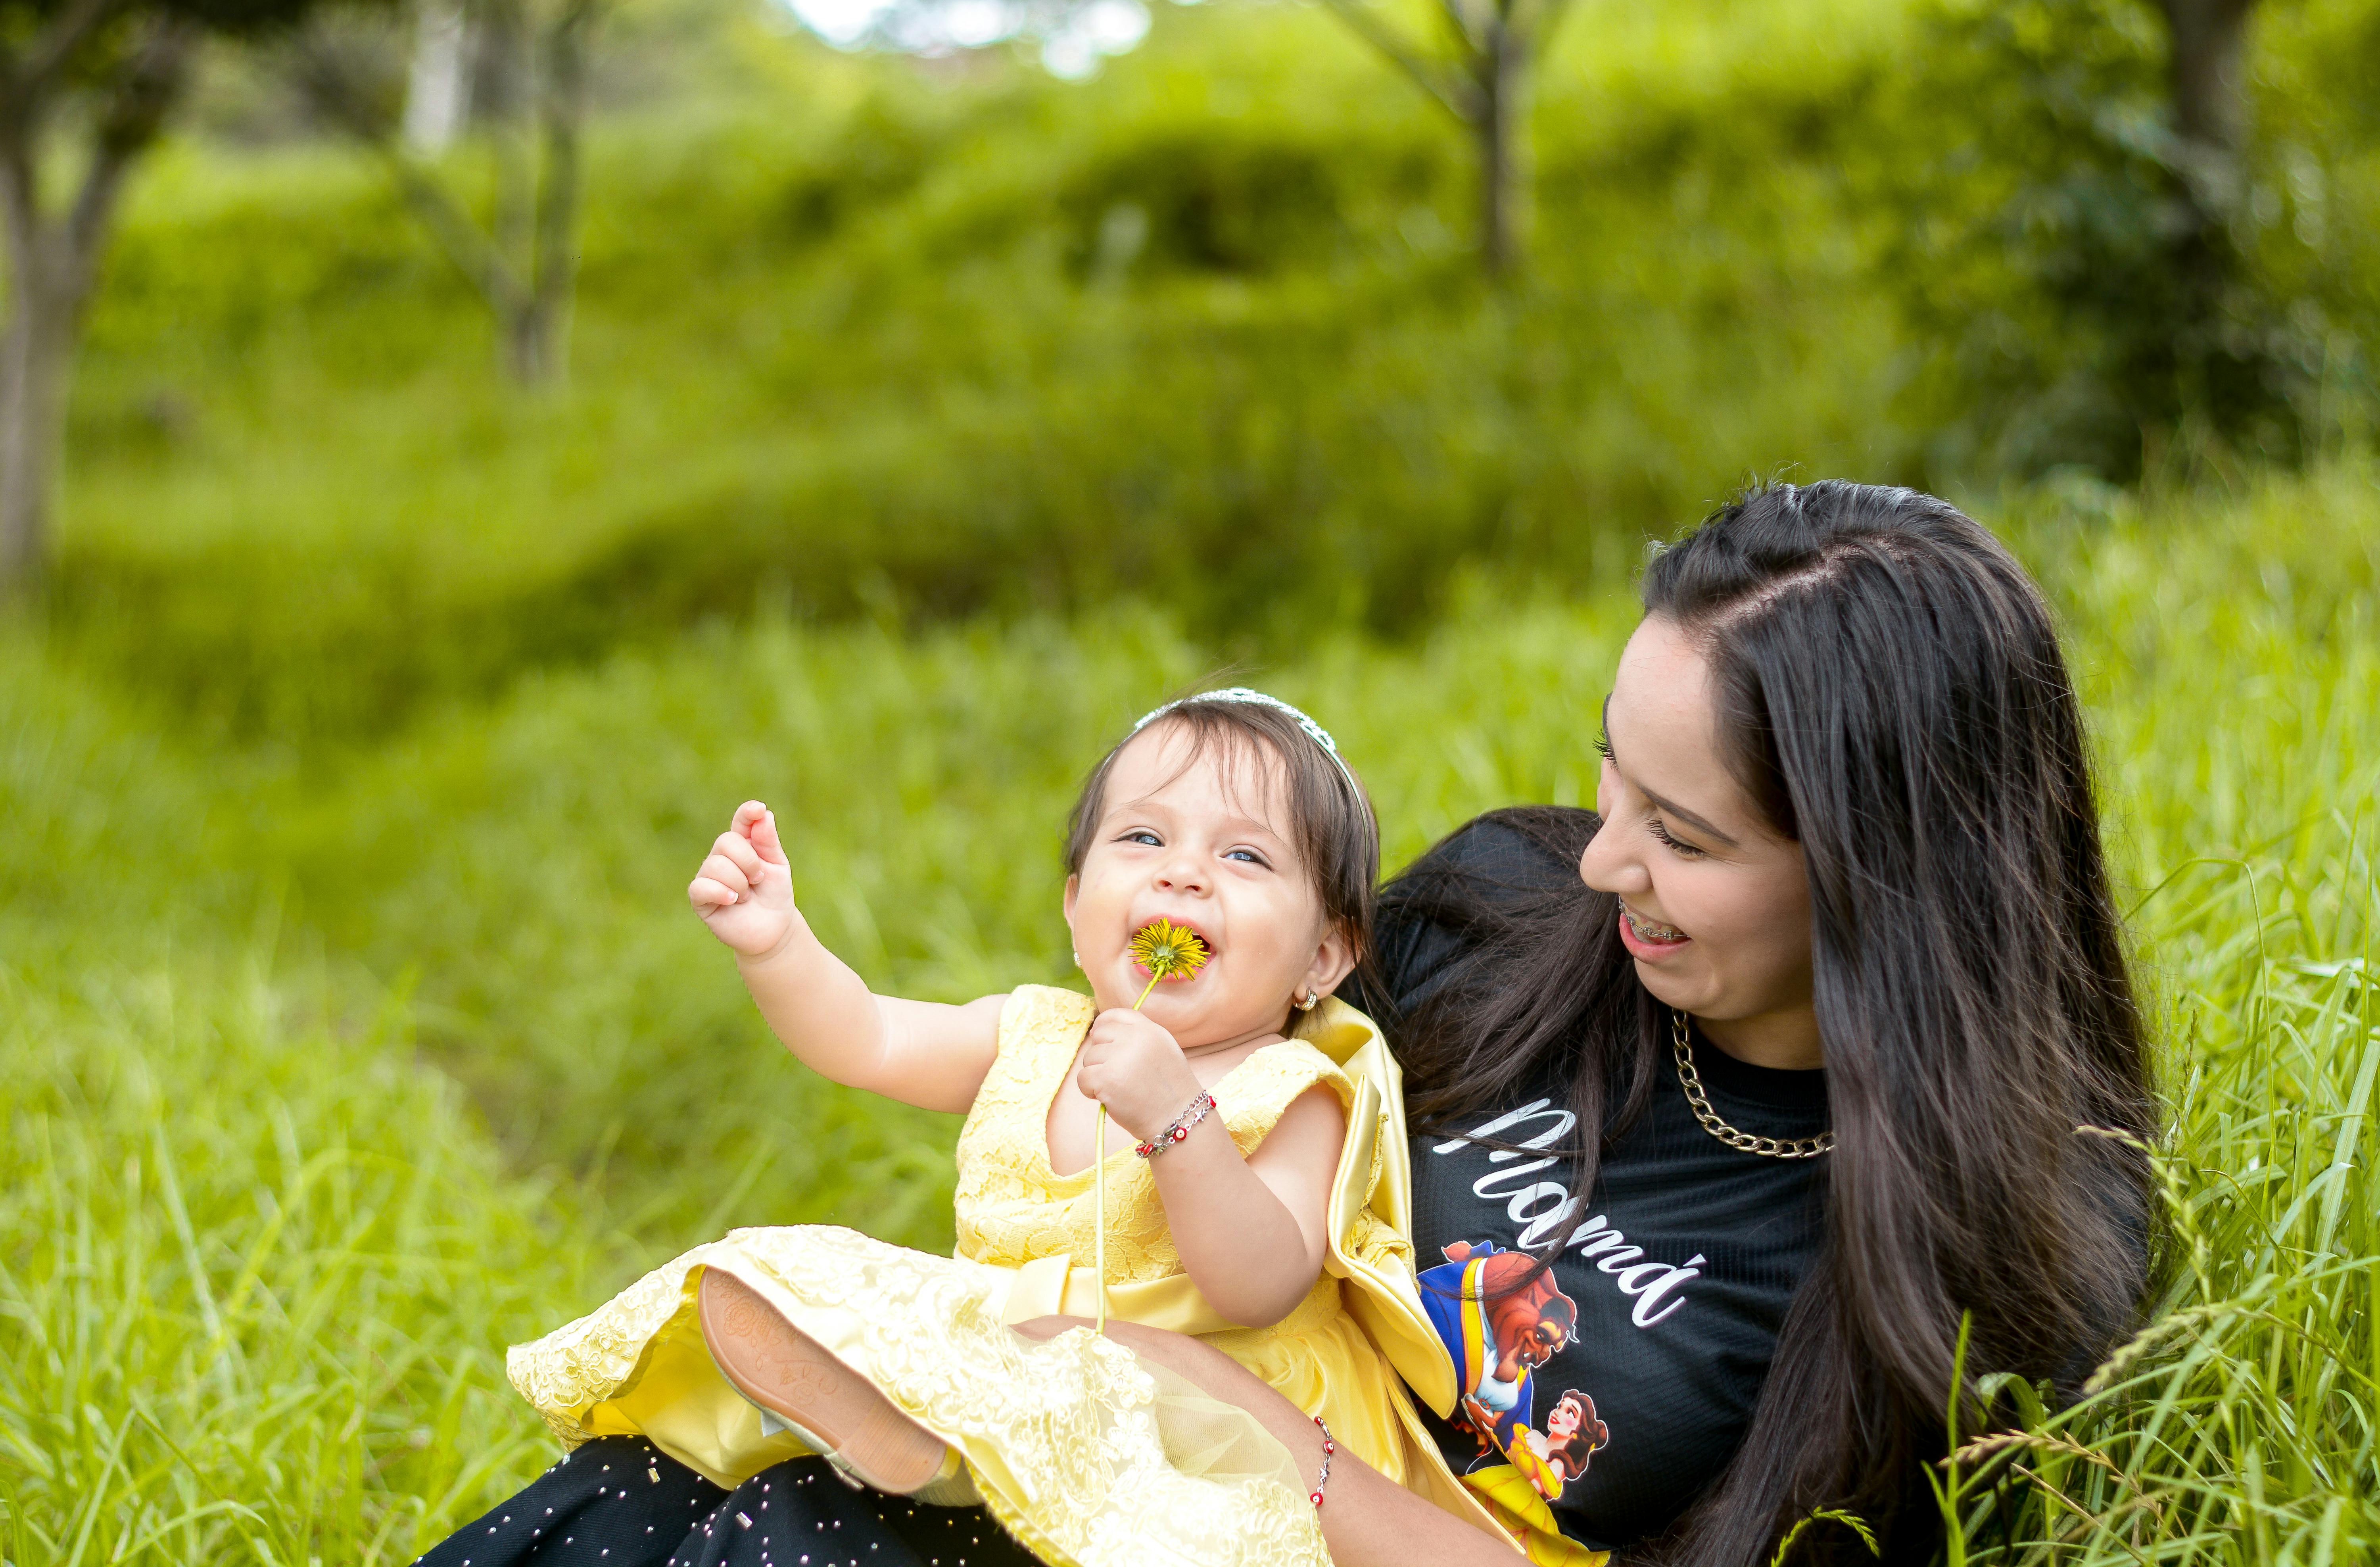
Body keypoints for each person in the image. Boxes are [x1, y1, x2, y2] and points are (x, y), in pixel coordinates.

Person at [418, 481, 2157, 1567]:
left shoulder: (1956, 1266)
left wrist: (1248, 1431)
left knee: (800, 1543)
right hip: (1136, 1461)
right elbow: (1237, 1035)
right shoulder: (1511, 918)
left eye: (1686, 838)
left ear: (1883, 872)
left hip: (1305, 1526)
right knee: (650, 1493)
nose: (1606, 858)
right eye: (1617, 780)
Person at [424, 687, 1489, 1567]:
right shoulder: (1033, 1034)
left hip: (1195, 1434)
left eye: (1247, 859)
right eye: (1144, 838)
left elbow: (1260, 1277)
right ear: (1078, 909)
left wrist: (1181, 1120)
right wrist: (777, 944)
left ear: (1323, 958)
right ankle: (899, 1414)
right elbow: (870, 1038)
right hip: (1020, 1370)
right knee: (822, 1274)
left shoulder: (1291, 1087)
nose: (1184, 871)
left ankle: (913, 1424)